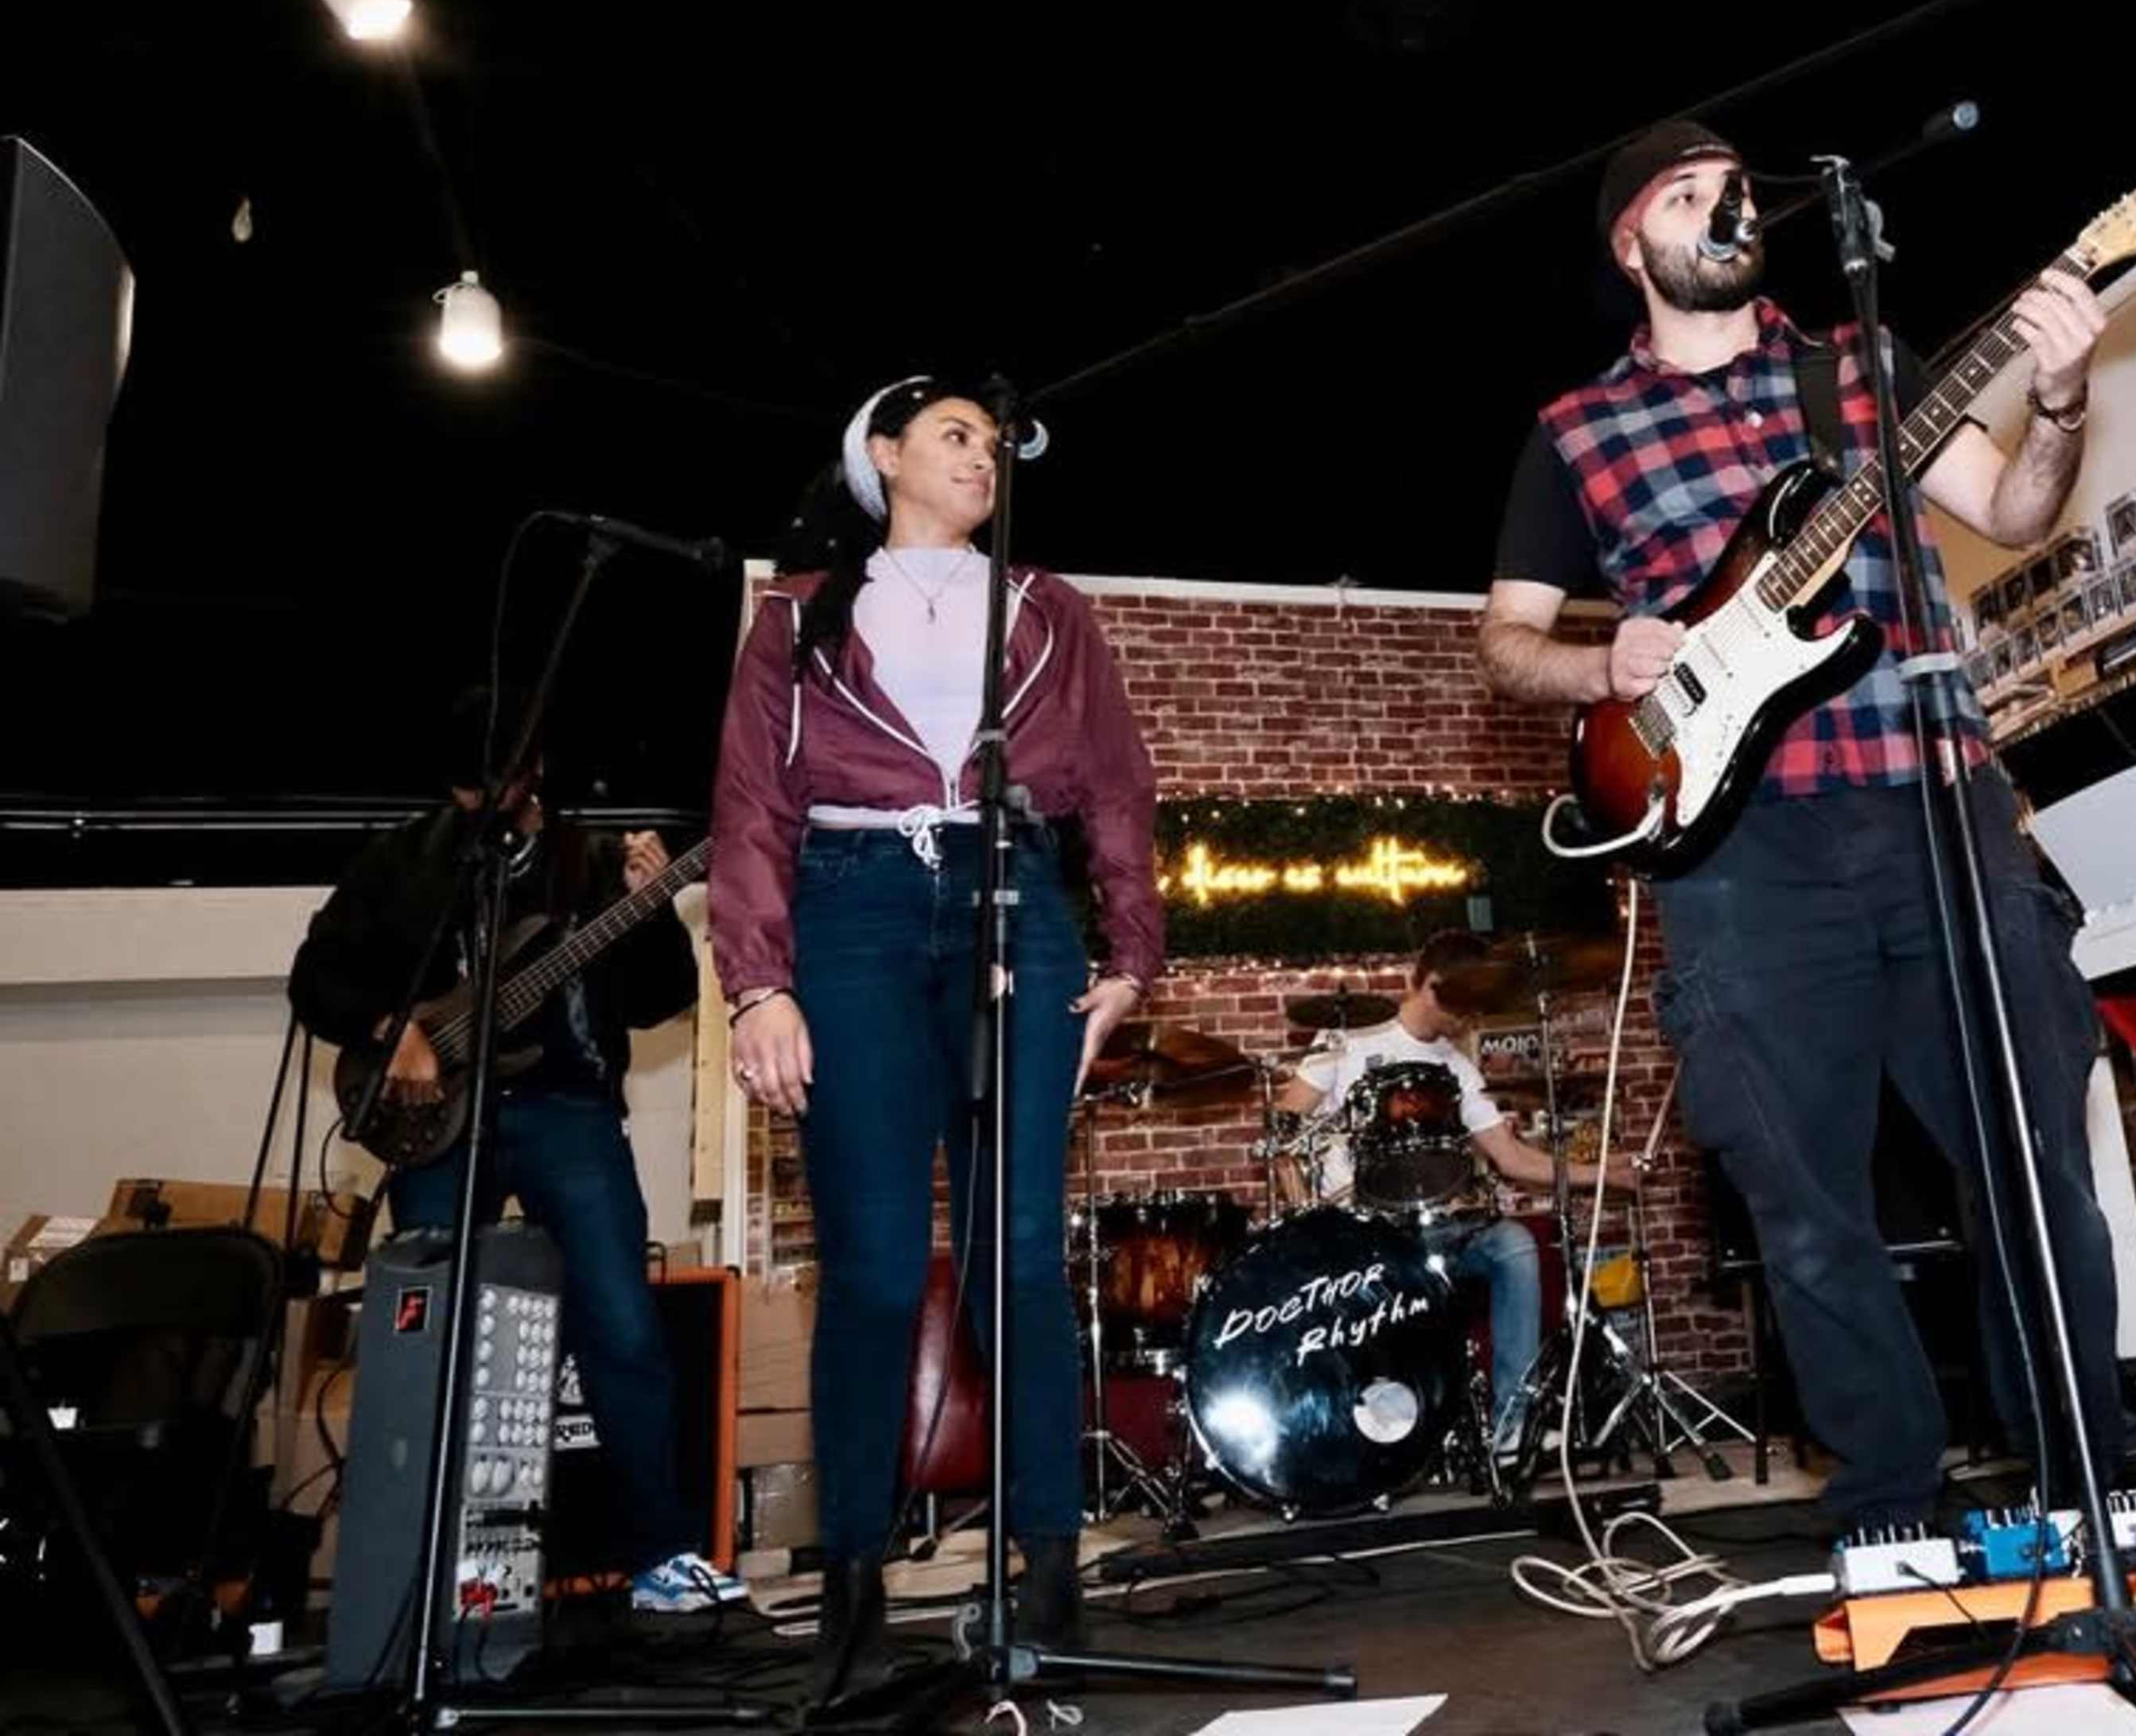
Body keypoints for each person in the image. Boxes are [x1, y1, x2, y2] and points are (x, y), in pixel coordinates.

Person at [1478, 118, 2126, 1530]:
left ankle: (2086, 1489)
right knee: (1805, 1202)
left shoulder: (1858, 372)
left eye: (1735, 190)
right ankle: (1889, 1504)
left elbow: (2015, 513)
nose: (1726, 209)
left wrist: (2063, 397)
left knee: (2028, 1161)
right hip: (1741, 853)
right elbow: (1510, 644)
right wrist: (1606, 665)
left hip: (1933, 806)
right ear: (1631, 243)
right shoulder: (1576, 434)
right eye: (1687, 194)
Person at [707, 377, 1160, 1714]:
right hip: (849, 913)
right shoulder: (795, 615)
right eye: (954, 433)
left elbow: (1118, 782)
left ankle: (1045, 1585)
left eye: (993, 443)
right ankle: (851, 1600)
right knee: (875, 1265)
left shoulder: (1047, 609)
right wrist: (755, 987)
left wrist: (1131, 955)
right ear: (884, 455)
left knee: (1019, 1251)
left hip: (1011, 899)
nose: (982, 456)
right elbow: (746, 806)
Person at [288, 692, 742, 1614]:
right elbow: (316, 976)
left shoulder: (593, 859)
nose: (481, 806)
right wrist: (393, 1028)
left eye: (496, 785)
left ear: (533, 775)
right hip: (439, 1118)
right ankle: (422, 1574)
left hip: (566, 1110)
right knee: (437, 1333)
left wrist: (651, 908)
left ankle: (660, 1555)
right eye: (465, 791)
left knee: (620, 1325)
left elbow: (659, 1000)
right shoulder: (406, 857)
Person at [1270, 930, 1636, 1451]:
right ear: (1433, 986)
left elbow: (1510, 1157)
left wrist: (1600, 1173)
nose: (1470, 1013)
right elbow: (1283, 1130)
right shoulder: (1346, 1037)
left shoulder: (1457, 1066)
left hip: (1438, 1229)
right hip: (1361, 1234)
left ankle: (1511, 1423)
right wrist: (1308, 1217)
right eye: (1465, 998)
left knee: (1514, 1245)